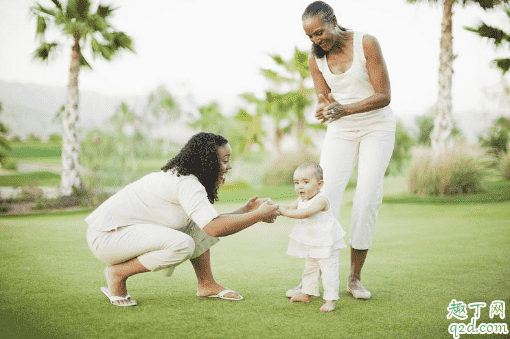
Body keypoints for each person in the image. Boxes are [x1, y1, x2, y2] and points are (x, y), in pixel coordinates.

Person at [85, 132, 280, 306]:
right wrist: (257, 215)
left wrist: (247, 210)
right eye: (225, 160)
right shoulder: (186, 182)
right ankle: (117, 274)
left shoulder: (185, 177)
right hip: (107, 237)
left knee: (196, 224)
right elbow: (215, 228)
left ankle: (207, 285)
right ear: (207, 161)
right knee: (182, 244)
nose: (228, 166)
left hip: (118, 234)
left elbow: (211, 221)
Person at [297, 1, 397, 300]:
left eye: (319, 32)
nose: (317, 40)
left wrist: (344, 109)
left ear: (333, 21)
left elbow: (384, 96)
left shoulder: (366, 42)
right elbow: (324, 97)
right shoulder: (316, 58)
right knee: (322, 198)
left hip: (376, 128)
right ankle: (310, 282)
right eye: (310, 36)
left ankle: (354, 278)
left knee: (366, 199)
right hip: (341, 130)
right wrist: (323, 107)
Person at [279, 162, 346, 313]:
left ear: (319, 184)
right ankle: (306, 294)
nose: (300, 186)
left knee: (329, 271)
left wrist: (283, 213)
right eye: (296, 183)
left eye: (306, 182)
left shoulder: (321, 200)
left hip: (327, 244)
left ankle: (330, 300)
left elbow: (305, 213)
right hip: (313, 243)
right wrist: (275, 207)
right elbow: (290, 207)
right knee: (310, 269)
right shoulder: (301, 200)